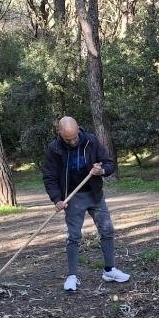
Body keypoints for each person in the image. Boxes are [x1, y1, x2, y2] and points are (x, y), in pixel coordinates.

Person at [42, 116, 130, 292]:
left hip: (94, 194)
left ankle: (109, 270)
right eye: (68, 139)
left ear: (78, 129)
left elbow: (109, 164)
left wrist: (102, 170)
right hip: (72, 198)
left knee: (107, 230)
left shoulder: (91, 141)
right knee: (73, 236)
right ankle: (72, 276)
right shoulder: (54, 149)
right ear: (60, 133)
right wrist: (57, 199)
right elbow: (49, 177)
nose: (73, 141)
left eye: (74, 137)